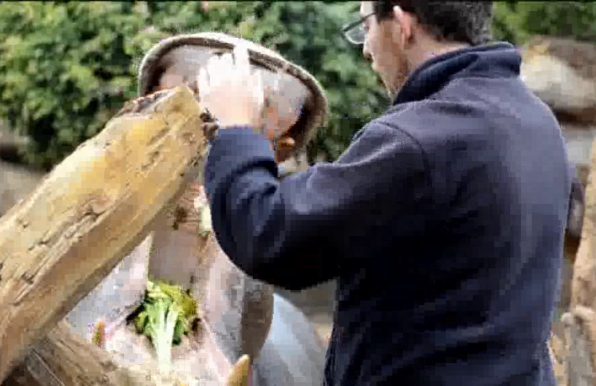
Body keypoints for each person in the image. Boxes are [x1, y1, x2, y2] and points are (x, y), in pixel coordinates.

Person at [197, 1, 572, 385]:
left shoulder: (422, 138)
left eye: (365, 25)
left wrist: (237, 129)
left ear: (403, 24)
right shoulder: (536, 121)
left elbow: (270, 234)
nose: (365, 48)